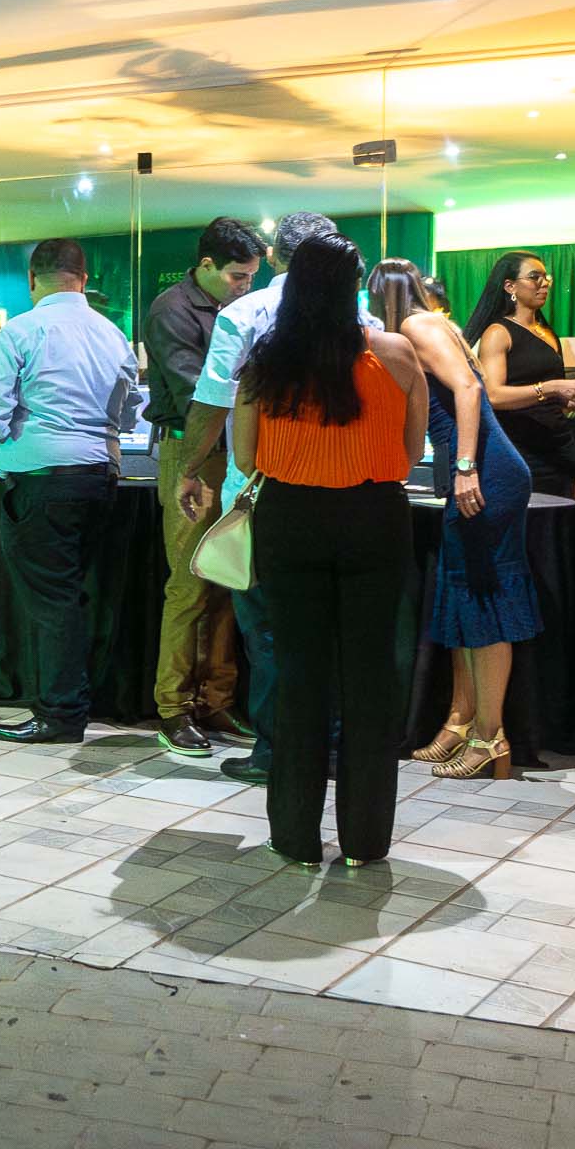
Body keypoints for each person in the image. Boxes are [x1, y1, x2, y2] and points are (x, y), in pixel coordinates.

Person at [233, 234, 427, 865]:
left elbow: (244, 457)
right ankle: (366, 840)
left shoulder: (267, 362)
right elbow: (411, 451)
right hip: (375, 516)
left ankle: (294, 836)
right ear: (354, 287)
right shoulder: (396, 353)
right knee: (371, 678)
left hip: (291, 518)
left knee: (299, 676)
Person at [176, 211, 361, 783]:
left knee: (269, 630)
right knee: (331, 627)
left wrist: (189, 469)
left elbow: (213, 401)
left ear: (277, 256)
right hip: (346, 490)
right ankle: (331, 747)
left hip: (266, 487)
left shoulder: (246, 314)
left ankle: (278, 751)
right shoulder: (360, 317)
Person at [0, 238, 147, 745]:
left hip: (42, 481)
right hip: (98, 477)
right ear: (83, 279)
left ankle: (60, 714)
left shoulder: (21, 331)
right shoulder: (113, 334)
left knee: (52, 602)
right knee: (73, 596)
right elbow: (129, 413)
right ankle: (73, 702)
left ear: (32, 280)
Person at [373, 259, 539, 781]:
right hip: (478, 470)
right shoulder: (429, 323)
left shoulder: (416, 326)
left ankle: (491, 738)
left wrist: (466, 468)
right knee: (463, 600)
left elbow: (469, 389)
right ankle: (461, 723)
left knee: (485, 603)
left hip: (486, 472)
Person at [144, 218, 264, 757]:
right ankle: (173, 706)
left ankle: (216, 699)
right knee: (190, 584)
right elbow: (197, 393)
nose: (245, 286)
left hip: (236, 452)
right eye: (238, 276)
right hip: (192, 453)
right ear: (207, 265)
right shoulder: (171, 309)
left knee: (228, 579)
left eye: (252, 277)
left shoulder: (239, 308)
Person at [467, 253, 575, 498]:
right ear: (510, 286)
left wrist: (572, 398)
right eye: (534, 277)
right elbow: (493, 395)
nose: (544, 283)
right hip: (521, 447)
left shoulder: (547, 333)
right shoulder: (498, 333)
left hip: (558, 444)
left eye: (545, 277)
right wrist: (550, 388)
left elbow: (547, 401)